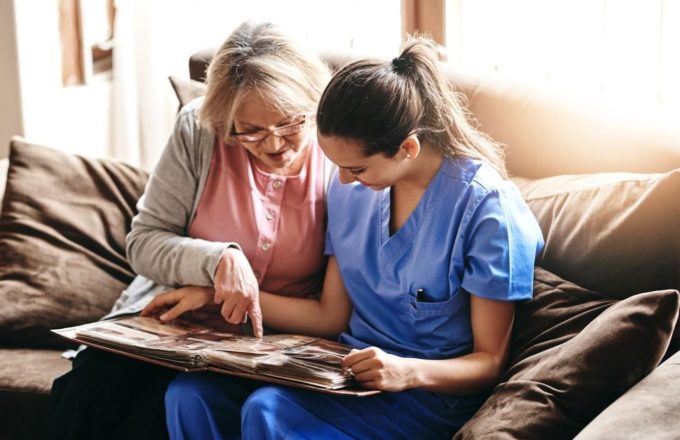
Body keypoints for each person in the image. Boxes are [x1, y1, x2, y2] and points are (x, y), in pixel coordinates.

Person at [159, 36, 545, 439]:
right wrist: (212, 295)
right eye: (337, 166)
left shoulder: (488, 211)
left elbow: (489, 362)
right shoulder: (350, 190)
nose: (342, 181)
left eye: (356, 169)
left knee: (269, 411)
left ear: (407, 148)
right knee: (192, 393)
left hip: (425, 394)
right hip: (339, 371)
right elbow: (330, 316)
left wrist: (405, 371)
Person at [43, 21, 332, 440]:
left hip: (267, 339)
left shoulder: (341, 150)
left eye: (290, 124)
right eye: (249, 131)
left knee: (156, 415)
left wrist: (219, 297)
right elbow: (143, 242)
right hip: (170, 326)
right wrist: (216, 260)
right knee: (88, 386)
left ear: (313, 104)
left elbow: (339, 304)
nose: (273, 145)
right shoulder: (199, 129)